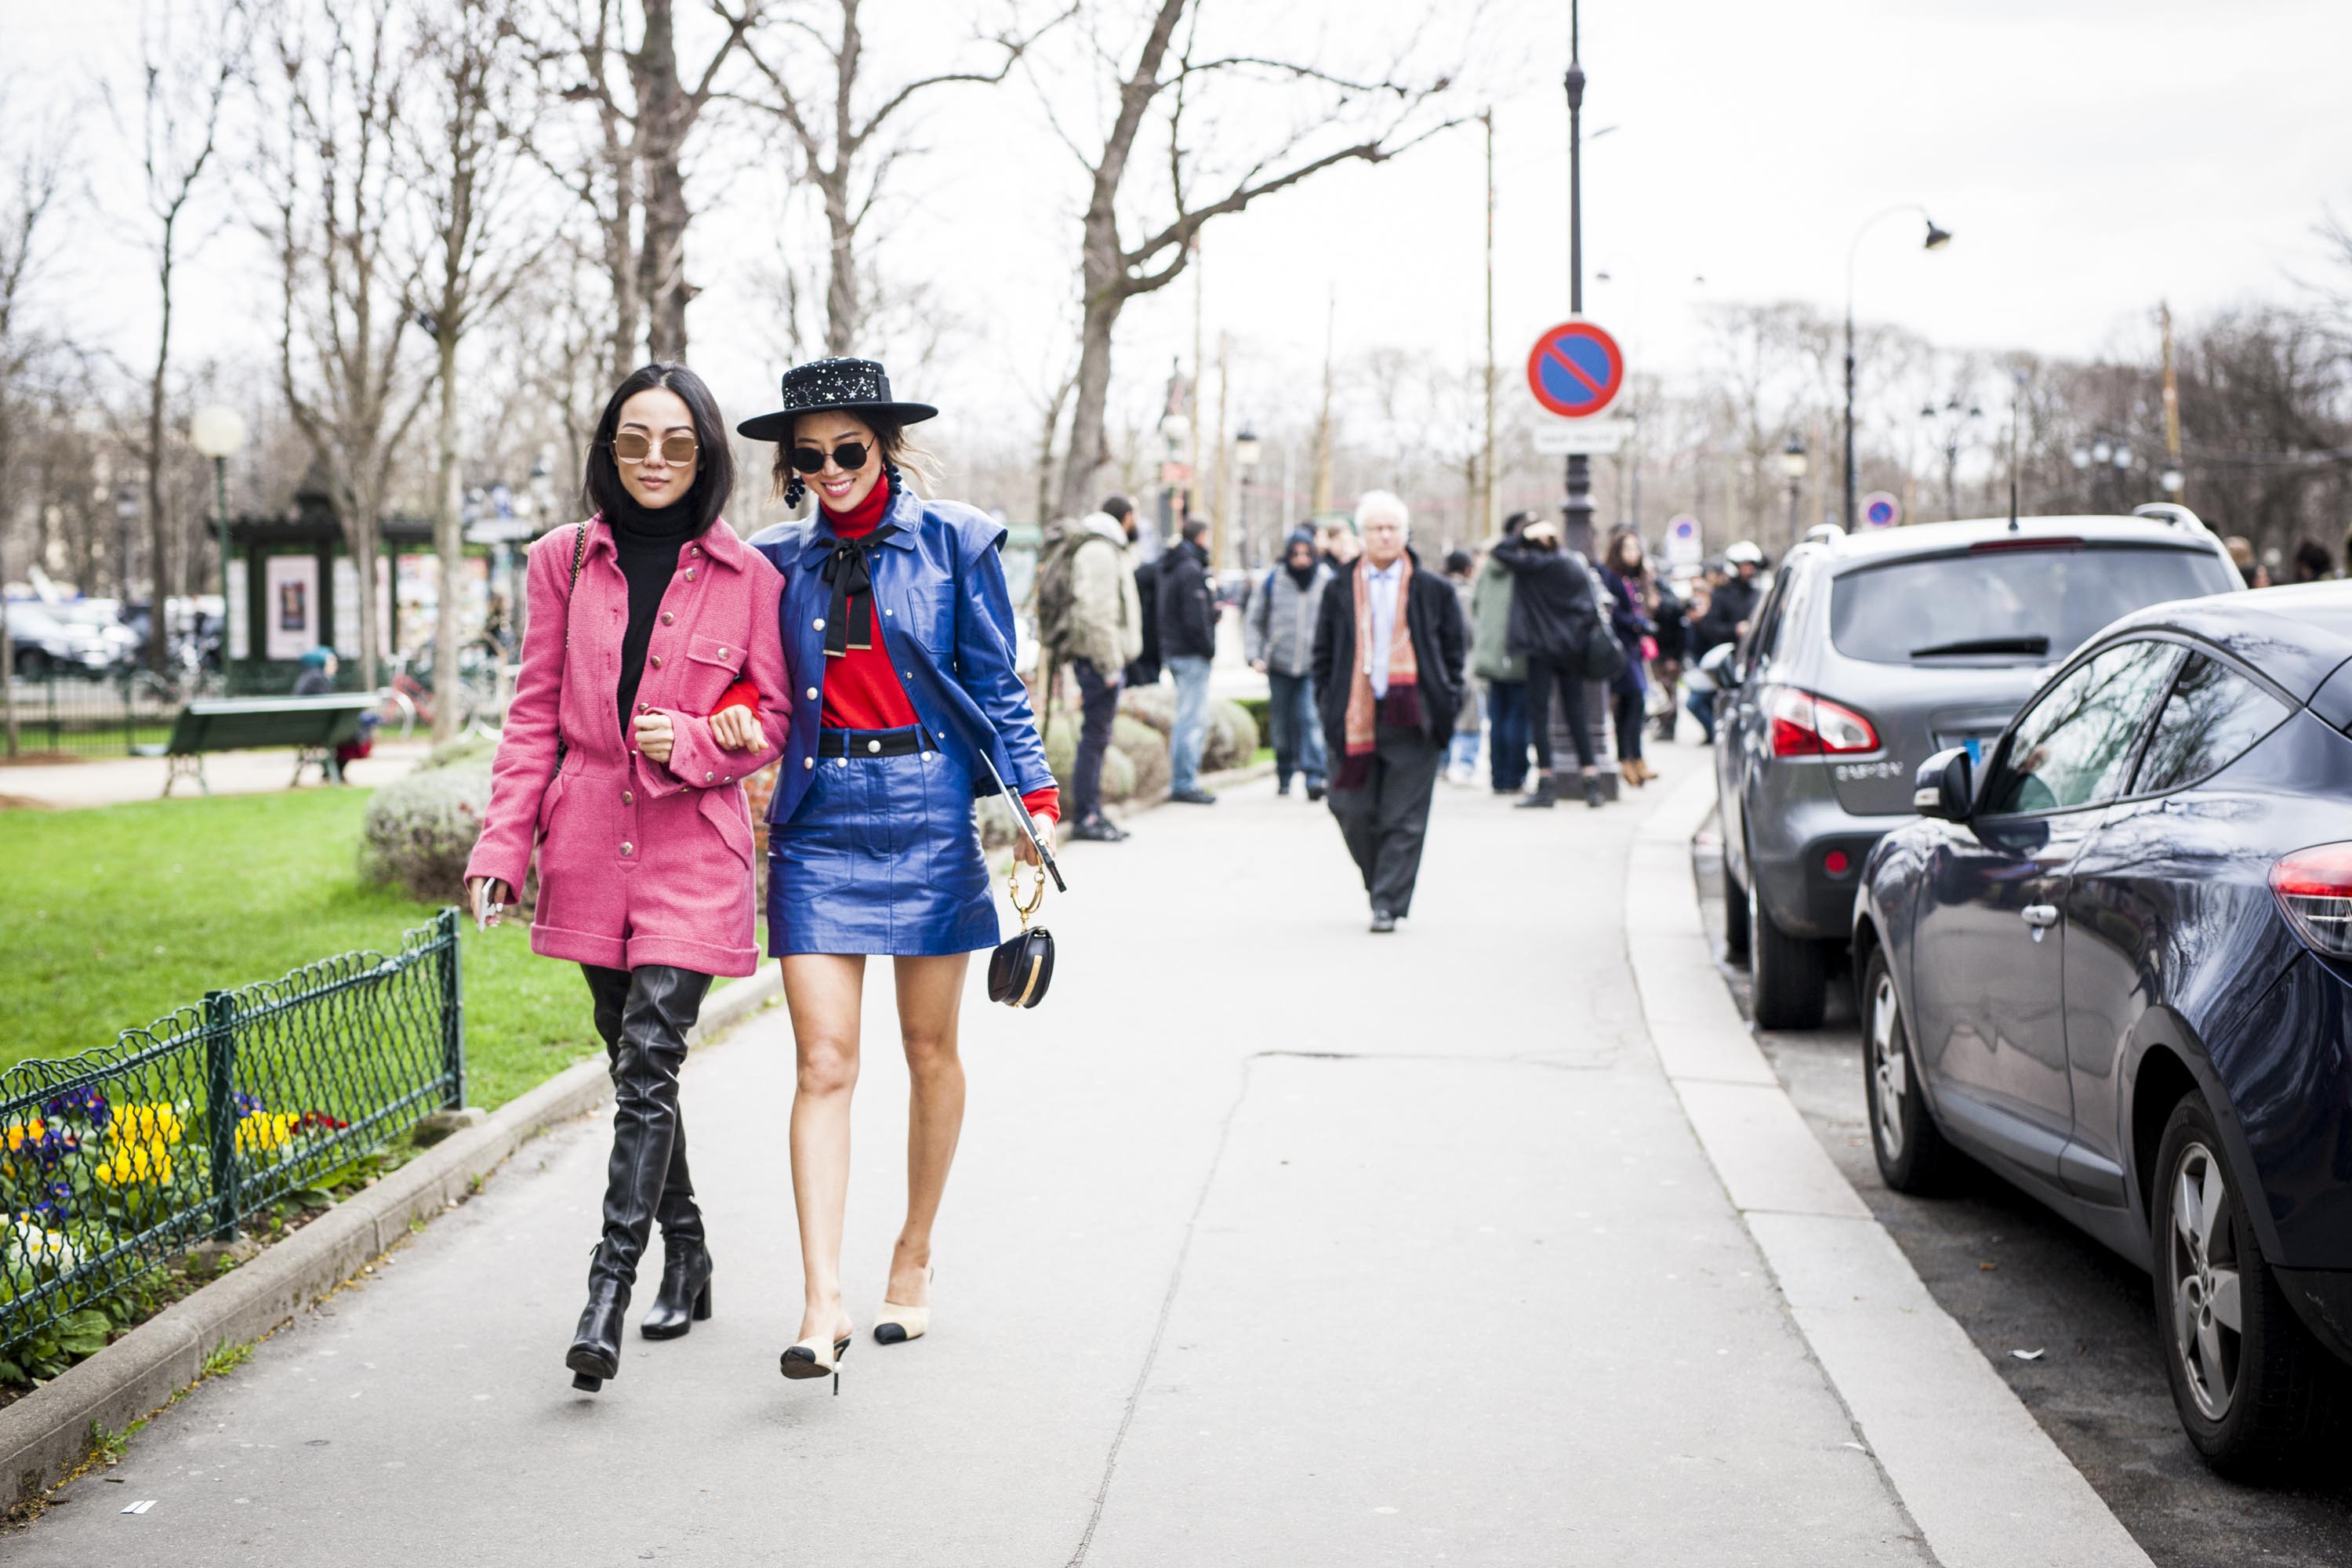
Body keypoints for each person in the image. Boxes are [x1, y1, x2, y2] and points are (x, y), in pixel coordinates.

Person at [463, 362, 790, 1394]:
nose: (656, 459)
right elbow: (533, 712)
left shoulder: (753, 578)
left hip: (695, 847)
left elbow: (770, 722)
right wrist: (500, 848)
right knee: (635, 1064)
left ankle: (609, 1285)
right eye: (635, 440)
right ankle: (688, 1249)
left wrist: (694, 737)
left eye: (678, 441)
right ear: (609, 450)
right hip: (590, 842)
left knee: (652, 1052)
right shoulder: (562, 561)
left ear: (706, 454)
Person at [734, 356, 1057, 1393]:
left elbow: (996, 684)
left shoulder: (959, 540)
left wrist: (1034, 807)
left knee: (929, 1048)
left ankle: (912, 1250)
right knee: (824, 1063)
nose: (828, 469)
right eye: (810, 454)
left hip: (927, 814)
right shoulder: (771, 561)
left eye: (848, 450)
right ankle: (820, 1300)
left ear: (885, 446)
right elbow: (750, 685)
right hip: (818, 824)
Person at [1311, 491, 1467, 933]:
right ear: (1362, 535)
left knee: (1404, 818)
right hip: (1354, 718)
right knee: (1349, 807)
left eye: (1392, 528)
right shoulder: (1340, 586)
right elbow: (1322, 654)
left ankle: (1387, 903)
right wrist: (1328, 705)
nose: (1384, 535)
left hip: (1414, 717)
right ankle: (1382, 883)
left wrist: (1447, 699)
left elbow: (1455, 651)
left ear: (1404, 533)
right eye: (1375, 528)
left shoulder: (1432, 588)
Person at [1045, 495, 1144, 841]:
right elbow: (1096, 612)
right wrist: (1108, 664)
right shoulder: (1101, 552)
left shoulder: (1099, 548)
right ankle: (1088, 816)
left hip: (1096, 659)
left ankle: (1092, 812)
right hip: (1099, 661)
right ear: (1126, 518)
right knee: (1095, 739)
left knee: (1096, 737)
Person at [1493, 517, 1604, 809]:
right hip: (1570, 650)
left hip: (1540, 649)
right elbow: (1588, 608)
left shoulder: (1531, 566)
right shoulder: (1571, 564)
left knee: (1539, 716)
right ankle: (1592, 782)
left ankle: (1546, 783)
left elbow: (1500, 552)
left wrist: (1523, 534)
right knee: (1576, 713)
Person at [1246, 525, 1333, 798]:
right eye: (1295, 554)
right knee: (1281, 726)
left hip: (1312, 665)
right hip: (1280, 665)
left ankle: (1315, 777)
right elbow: (1254, 620)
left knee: (1310, 719)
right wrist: (1254, 655)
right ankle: (1284, 773)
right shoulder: (1274, 580)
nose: (1301, 560)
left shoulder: (1326, 580)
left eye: (1307, 553)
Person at [1159, 516, 1219, 804]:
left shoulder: (1173, 566)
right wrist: (1208, 648)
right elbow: (1194, 618)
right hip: (1190, 652)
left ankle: (1183, 780)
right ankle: (1184, 782)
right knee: (1192, 719)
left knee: (1187, 715)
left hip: (1175, 649)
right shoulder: (1191, 569)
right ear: (1201, 536)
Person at [1472, 513, 1533, 794]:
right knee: (1517, 716)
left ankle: (1498, 776)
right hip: (1517, 651)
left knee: (1498, 716)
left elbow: (1476, 604)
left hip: (1491, 652)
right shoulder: (1522, 567)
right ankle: (1514, 775)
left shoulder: (1489, 566)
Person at [1599, 531, 1657, 789]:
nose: (1633, 554)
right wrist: (1637, 625)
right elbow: (1614, 613)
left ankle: (1635, 758)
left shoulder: (1634, 579)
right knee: (1632, 702)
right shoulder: (1612, 578)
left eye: (1636, 548)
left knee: (1633, 705)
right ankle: (1628, 759)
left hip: (1633, 648)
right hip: (1621, 649)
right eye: (1628, 549)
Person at [1443, 548, 1483, 783]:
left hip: (1443, 662)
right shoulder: (1466, 596)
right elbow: (1470, 631)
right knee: (1470, 715)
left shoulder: (1437, 590)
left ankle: (1445, 762)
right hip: (1465, 659)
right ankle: (1465, 764)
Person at [1647, 573, 1688, 742]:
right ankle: (1663, 725)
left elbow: (1680, 634)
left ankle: (1668, 726)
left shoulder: (1669, 606)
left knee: (1669, 691)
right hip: (1657, 654)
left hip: (1668, 654)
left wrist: (1674, 657)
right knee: (1661, 691)